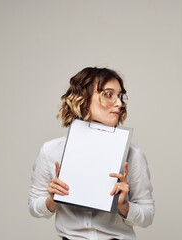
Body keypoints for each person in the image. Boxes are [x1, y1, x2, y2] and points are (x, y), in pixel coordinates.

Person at [28, 67, 155, 240]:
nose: (119, 103)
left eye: (120, 96)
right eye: (109, 94)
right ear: (84, 99)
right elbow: (34, 207)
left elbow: (147, 215)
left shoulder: (133, 155)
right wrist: (52, 199)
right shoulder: (51, 151)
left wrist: (123, 205)